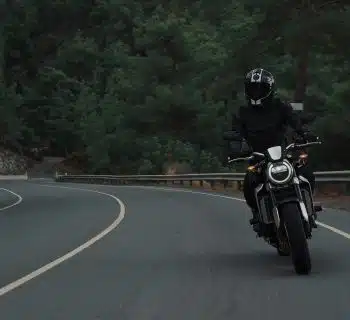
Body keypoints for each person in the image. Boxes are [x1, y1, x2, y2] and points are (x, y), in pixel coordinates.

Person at [227, 68, 318, 232]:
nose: (256, 92)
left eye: (260, 88)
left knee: (305, 172)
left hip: (283, 154)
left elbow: (294, 121)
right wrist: (235, 146)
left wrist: (305, 133)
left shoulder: (280, 106)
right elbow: (236, 132)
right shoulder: (243, 112)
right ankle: (258, 214)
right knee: (249, 183)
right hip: (258, 157)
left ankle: (309, 206)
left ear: (269, 89)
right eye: (253, 88)